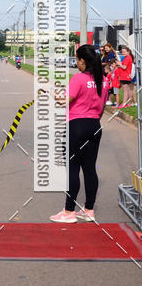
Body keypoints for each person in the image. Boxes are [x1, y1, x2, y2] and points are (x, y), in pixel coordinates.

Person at [50, 44, 109, 224]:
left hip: (76, 126)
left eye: (77, 60)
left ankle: (69, 211)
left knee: (73, 168)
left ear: (82, 60)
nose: (76, 63)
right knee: (90, 169)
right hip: (94, 125)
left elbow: (65, 101)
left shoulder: (79, 78)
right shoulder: (104, 80)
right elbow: (103, 106)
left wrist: (54, 94)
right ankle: (89, 210)